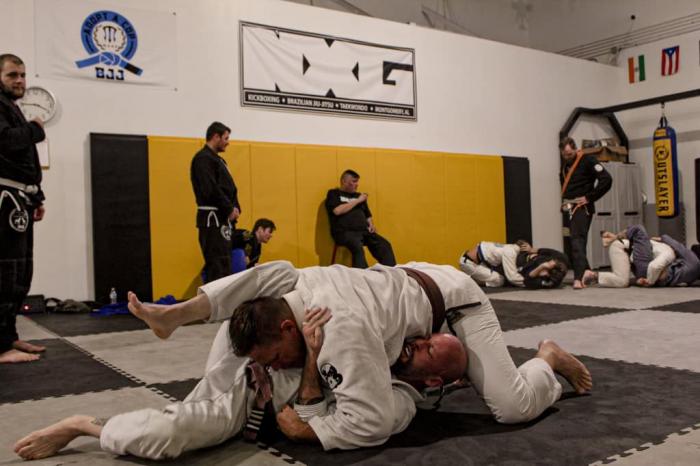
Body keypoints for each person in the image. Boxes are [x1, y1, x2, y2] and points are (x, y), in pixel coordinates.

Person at [15, 261, 591, 459]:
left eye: (273, 357)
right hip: (369, 317)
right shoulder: (273, 309)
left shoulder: (341, 331)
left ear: (291, 329)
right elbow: (264, 288)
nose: (269, 368)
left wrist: (305, 415)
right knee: (198, 424)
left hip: (451, 301)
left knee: (510, 406)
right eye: (263, 361)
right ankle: (91, 422)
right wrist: (279, 364)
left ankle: (545, 360)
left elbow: (366, 426)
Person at [0, 54, 47, 364]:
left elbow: (22, 162)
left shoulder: (12, 107)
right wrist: (35, 129)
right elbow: (5, 142)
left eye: (22, 75)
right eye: (12, 75)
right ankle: (0, 346)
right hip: (5, 197)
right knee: (5, 270)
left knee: (20, 272)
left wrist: (36, 196)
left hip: (20, 197)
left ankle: (9, 336)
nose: (19, 80)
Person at [559, 137, 612, 289]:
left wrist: (589, 197)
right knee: (571, 242)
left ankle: (578, 278)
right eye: (564, 155)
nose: (567, 157)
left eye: (570, 154)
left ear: (576, 149)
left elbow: (606, 180)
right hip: (568, 207)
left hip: (582, 207)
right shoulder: (565, 166)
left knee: (577, 240)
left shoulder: (588, 160)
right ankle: (587, 272)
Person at [191, 121, 240, 283]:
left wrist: (235, 207)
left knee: (225, 265)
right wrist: (228, 208)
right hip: (212, 220)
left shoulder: (218, 160)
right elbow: (210, 189)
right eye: (226, 138)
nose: (228, 142)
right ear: (215, 137)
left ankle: (224, 298)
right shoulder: (202, 159)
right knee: (217, 266)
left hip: (222, 219)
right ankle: (215, 300)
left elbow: (229, 188)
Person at [583, 224, 700, 287]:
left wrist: (649, 281)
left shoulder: (693, 261)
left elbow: (675, 245)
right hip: (624, 250)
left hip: (641, 265)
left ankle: (612, 238)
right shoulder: (692, 276)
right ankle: (593, 275)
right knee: (622, 281)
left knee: (638, 229)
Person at [325, 169, 396, 268]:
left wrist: (371, 225)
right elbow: (337, 211)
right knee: (357, 246)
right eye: (354, 181)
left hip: (363, 231)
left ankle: (390, 271)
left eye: (357, 182)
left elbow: (367, 215)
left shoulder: (358, 196)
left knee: (384, 244)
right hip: (344, 232)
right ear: (344, 181)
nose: (357, 184)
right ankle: (362, 274)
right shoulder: (334, 193)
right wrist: (358, 201)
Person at [459, 240, 569, 289]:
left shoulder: (547, 280)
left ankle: (470, 280)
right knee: (509, 276)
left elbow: (528, 281)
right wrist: (532, 249)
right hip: (471, 260)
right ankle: (469, 277)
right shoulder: (560, 258)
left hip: (483, 262)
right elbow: (546, 251)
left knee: (500, 280)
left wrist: (541, 268)